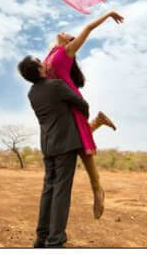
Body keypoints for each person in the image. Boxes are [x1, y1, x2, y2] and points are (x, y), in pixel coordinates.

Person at [42, 11, 123, 220]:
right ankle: (98, 121)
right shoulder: (51, 53)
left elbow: (87, 29)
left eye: (67, 33)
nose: (63, 31)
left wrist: (108, 15)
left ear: (70, 41)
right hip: (59, 106)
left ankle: (97, 189)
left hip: (72, 103)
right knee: (78, 138)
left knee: (80, 146)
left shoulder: (67, 51)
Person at [19, 55, 88, 248]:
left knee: (48, 189)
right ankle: (55, 241)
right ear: (40, 69)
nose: (43, 61)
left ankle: (41, 238)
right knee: (61, 192)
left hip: (48, 146)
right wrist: (82, 119)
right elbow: (82, 103)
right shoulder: (56, 86)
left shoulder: (31, 93)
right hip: (65, 144)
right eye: (39, 61)